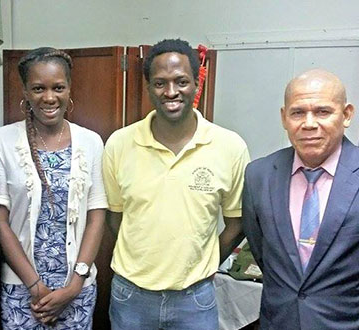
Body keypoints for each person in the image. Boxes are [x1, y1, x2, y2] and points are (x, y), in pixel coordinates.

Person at [242, 69, 359, 329]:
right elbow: (264, 254)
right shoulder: (258, 175)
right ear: (284, 118)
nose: (308, 123)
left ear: (347, 114)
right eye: (297, 113)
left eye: (322, 112)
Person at [102, 38, 250, 330]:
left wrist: (201, 263)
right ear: (148, 87)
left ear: (197, 83)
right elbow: (115, 218)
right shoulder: (119, 144)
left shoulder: (230, 147)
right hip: (131, 297)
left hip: (195, 299)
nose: (171, 92)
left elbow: (237, 223)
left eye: (181, 81)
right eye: (160, 83)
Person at [0, 47, 107, 329]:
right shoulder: (1, 141)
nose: (49, 97)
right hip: (21, 288)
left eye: (58, 87)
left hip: (76, 288)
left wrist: (75, 284)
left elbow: (97, 215)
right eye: (38, 88)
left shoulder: (91, 142)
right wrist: (35, 285)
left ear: (69, 88)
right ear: (26, 92)